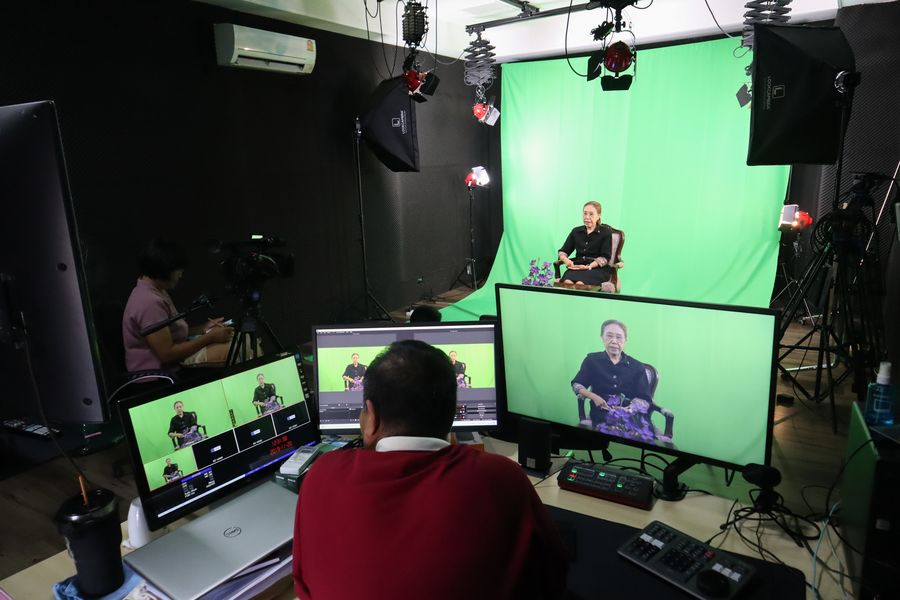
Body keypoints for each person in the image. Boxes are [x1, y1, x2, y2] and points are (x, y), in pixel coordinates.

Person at [293, 340, 568, 599]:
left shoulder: (320, 475)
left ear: (371, 416)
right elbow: (552, 573)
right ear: (453, 413)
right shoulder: (501, 478)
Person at [122, 240, 234, 372]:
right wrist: (210, 337)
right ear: (164, 270)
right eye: (178, 271)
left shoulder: (157, 290)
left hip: (171, 365)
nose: (180, 276)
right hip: (159, 374)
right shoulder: (149, 302)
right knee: (236, 350)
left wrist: (203, 329)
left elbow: (170, 334)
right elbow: (167, 354)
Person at [572, 320, 674, 445]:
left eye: (619, 337)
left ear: (625, 340)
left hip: (633, 415)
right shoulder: (592, 360)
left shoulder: (637, 367)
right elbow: (577, 384)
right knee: (611, 430)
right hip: (602, 412)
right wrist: (593, 396)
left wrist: (629, 409)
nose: (614, 341)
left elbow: (644, 398)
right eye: (609, 336)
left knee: (641, 436)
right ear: (602, 337)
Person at [557, 201, 613, 290]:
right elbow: (563, 251)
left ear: (598, 216)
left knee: (580, 284)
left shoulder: (606, 233)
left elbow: (605, 258)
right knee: (567, 282)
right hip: (577, 267)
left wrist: (589, 266)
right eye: (585, 213)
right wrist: (566, 260)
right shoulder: (576, 231)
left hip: (596, 269)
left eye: (591, 214)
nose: (587, 217)